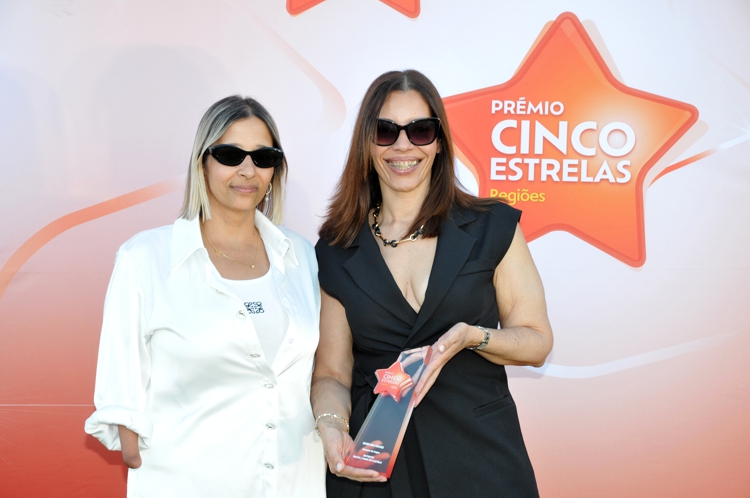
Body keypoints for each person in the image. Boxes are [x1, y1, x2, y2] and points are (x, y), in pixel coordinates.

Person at [311, 70, 553, 497]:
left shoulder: (491, 226)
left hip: (480, 460)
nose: (403, 146)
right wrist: (331, 428)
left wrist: (473, 337)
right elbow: (332, 373)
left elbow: (537, 342)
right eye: (386, 131)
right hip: (378, 470)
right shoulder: (338, 247)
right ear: (366, 143)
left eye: (420, 130)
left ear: (438, 142)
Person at [84, 96, 325, 498]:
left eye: (263, 157)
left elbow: (322, 375)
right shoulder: (145, 259)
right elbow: (122, 391)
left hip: (293, 485)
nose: (247, 170)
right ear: (202, 162)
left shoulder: (301, 256)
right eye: (230, 155)